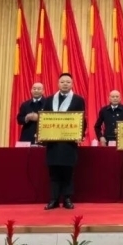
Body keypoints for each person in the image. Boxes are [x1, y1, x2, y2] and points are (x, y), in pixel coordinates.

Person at [41, 73, 86, 210]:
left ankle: (67, 199)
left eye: (68, 82)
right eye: (62, 82)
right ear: (58, 83)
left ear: (72, 84)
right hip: (53, 143)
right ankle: (54, 199)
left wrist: (80, 134)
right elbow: (44, 119)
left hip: (69, 143)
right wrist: (42, 134)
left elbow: (81, 119)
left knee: (68, 172)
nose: (65, 84)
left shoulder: (78, 100)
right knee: (54, 173)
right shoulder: (49, 100)